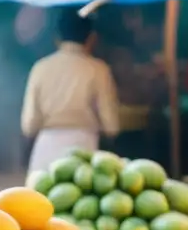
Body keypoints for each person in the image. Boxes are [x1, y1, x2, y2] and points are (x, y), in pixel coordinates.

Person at [21, 10, 120, 176]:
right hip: (83, 145)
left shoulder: (41, 67)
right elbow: (111, 124)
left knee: (38, 199)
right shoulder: (98, 69)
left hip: (46, 145)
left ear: (57, 37)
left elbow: (29, 124)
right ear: (91, 37)